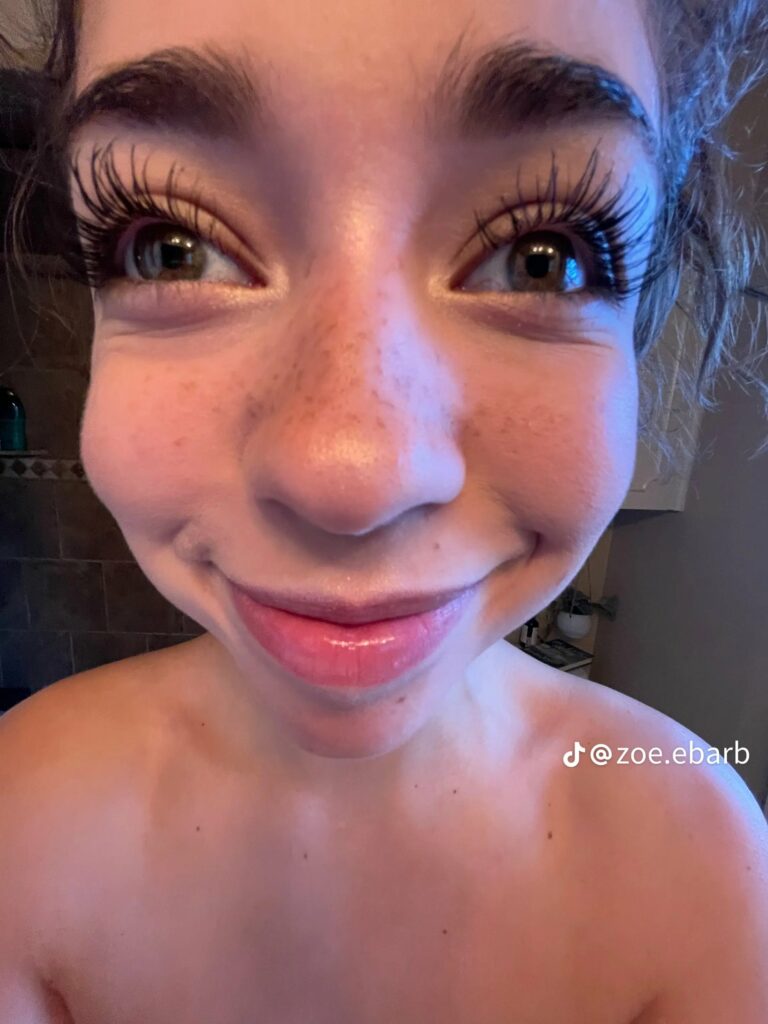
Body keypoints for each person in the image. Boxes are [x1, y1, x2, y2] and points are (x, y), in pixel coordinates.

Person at [1, 0, 767, 1021]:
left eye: (543, 256)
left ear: (642, 327)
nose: (351, 477)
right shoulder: (18, 822)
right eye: (170, 246)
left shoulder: (703, 862)